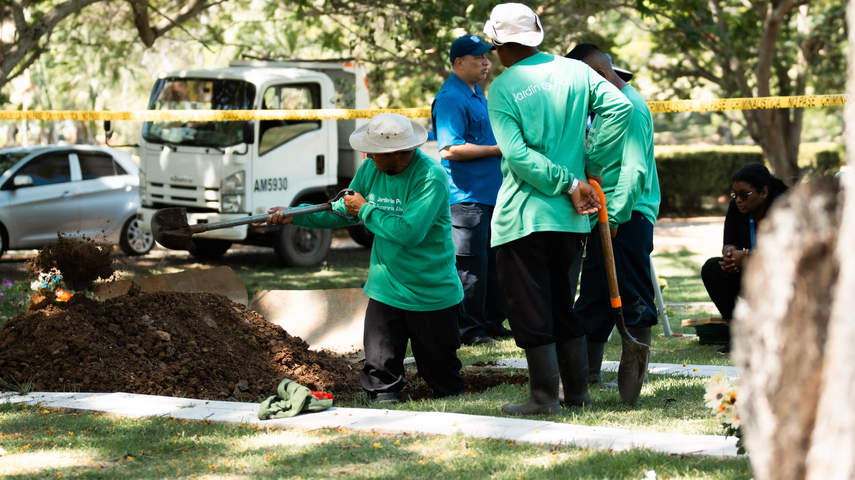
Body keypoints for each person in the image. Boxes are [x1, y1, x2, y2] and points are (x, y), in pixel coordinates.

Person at [482, 3, 634, 415]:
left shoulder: (501, 88)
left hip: (524, 217)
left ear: (496, 43)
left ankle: (544, 398)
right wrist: (591, 165)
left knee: (529, 309)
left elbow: (516, 156)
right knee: (562, 303)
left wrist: (569, 183)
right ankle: (578, 394)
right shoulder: (577, 70)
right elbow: (620, 107)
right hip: (571, 220)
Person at [262, 113, 465, 404]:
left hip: (430, 291)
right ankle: (385, 402)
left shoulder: (430, 177)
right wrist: (294, 215)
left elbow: (410, 232)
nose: (366, 154)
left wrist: (366, 210)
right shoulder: (371, 168)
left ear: (396, 152)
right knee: (380, 374)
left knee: (443, 380)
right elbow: (339, 210)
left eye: (374, 150)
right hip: (386, 288)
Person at [565, 43, 661, 388]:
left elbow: (634, 170)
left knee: (632, 295)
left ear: (599, 77)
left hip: (627, 217)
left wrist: (616, 217)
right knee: (593, 297)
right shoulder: (613, 106)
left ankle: (636, 374)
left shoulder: (631, 107)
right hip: (603, 219)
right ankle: (588, 373)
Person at [431, 34, 508, 346]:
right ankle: (469, 330)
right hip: (466, 199)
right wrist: (496, 150)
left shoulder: (476, 93)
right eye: (478, 57)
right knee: (470, 266)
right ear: (458, 63)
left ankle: (490, 323)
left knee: (491, 263)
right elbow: (449, 149)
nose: (486, 62)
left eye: (487, 56)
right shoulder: (451, 98)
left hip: (489, 195)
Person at [701, 163, 789, 354]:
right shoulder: (736, 208)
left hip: (785, 279)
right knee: (713, 268)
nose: (739, 200)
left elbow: (786, 253)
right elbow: (729, 242)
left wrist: (748, 257)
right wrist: (730, 255)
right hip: (754, 276)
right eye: (735, 194)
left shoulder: (783, 206)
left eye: (744, 194)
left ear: (764, 191)